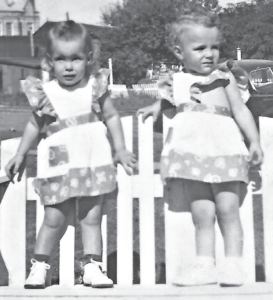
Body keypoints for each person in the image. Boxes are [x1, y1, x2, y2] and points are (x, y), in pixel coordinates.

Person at [5, 20, 136, 289]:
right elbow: (34, 124)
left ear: (87, 59)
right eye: (61, 59)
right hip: (59, 163)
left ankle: (92, 266)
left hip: (92, 160)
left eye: (75, 59)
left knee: (91, 217)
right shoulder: (47, 92)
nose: (68, 66)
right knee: (53, 218)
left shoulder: (94, 87)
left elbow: (111, 116)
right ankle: (39, 265)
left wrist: (120, 148)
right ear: (49, 61)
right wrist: (21, 153)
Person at [137, 8, 263, 287]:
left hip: (224, 150)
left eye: (215, 47)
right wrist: (155, 106)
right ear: (179, 53)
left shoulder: (226, 78)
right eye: (200, 48)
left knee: (228, 208)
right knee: (202, 213)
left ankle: (232, 265)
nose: (210, 54)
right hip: (191, 154)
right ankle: (204, 265)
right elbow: (168, 103)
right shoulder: (176, 82)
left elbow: (240, 110)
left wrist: (253, 140)